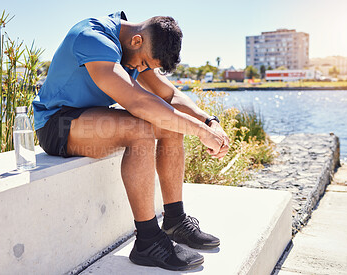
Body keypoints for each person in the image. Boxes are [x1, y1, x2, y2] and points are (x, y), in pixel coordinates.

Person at [32, 11, 229, 271]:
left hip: (90, 118)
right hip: (57, 123)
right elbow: (137, 102)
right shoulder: (92, 38)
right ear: (137, 41)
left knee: (169, 125)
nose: (143, 70)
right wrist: (201, 133)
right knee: (141, 128)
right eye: (145, 63)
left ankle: (175, 221)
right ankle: (148, 241)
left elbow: (168, 95)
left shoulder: (135, 49)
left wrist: (208, 122)